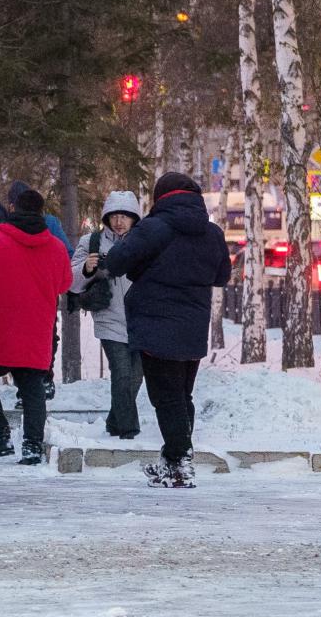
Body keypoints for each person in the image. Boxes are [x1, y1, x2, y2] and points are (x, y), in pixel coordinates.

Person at [104, 173, 231, 488]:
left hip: (155, 321)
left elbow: (116, 262)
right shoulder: (212, 233)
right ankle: (174, 459)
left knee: (166, 397)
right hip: (193, 325)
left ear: (161, 198)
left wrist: (143, 266)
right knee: (181, 395)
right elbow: (222, 275)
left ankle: (179, 462)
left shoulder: (153, 228)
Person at [0, 186, 72, 465]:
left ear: (12, 208)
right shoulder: (56, 247)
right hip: (37, 329)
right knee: (33, 387)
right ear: (40, 212)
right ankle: (32, 445)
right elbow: (64, 283)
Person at [71, 191, 144, 439]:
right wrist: (86, 268)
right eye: (114, 216)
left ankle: (114, 422)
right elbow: (71, 281)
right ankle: (128, 431)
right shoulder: (91, 242)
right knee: (122, 372)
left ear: (135, 218)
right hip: (109, 318)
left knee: (135, 377)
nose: (119, 221)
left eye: (125, 216)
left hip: (141, 319)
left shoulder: (145, 241)